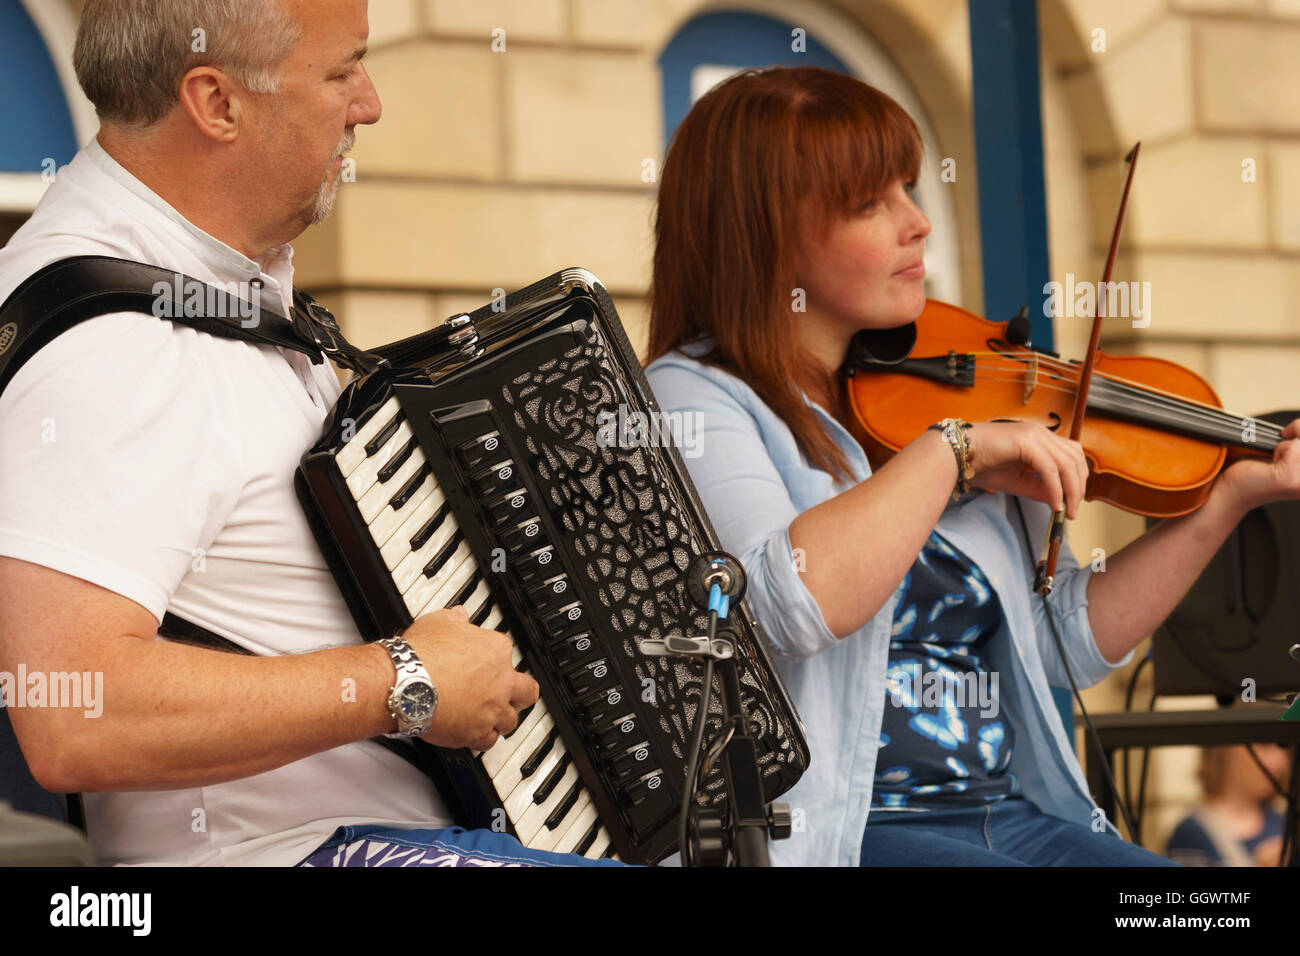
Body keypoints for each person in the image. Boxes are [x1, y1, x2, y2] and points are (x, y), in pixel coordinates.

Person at [0, 0, 618, 867]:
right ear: (217, 103)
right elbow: (76, 710)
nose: (368, 104)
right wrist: (404, 681)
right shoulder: (115, 344)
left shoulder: (217, 291)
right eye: (342, 71)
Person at [643, 66, 1300, 866]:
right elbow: (786, 606)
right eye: (870, 203)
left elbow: (1065, 644)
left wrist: (1228, 501)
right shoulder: (695, 395)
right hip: (847, 831)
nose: (917, 223)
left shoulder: (925, 393)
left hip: (1002, 814)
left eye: (910, 190)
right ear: (767, 234)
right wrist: (955, 453)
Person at [1165, 744, 1291, 866]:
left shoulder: (1285, 823)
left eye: (1283, 747)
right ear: (1226, 749)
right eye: (1264, 746)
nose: (1281, 761)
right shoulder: (1191, 834)